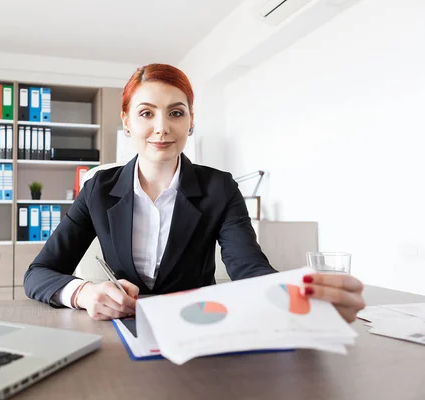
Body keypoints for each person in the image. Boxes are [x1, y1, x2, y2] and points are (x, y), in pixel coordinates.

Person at [24, 63, 366, 323]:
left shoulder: (220, 187)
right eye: (146, 113)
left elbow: (248, 268)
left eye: (176, 112)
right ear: (126, 121)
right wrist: (83, 292)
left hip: (199, 327)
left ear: (190, 121)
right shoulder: (98, 190)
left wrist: (300, 297)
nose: (162, 127)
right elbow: (39, 273)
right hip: (121, 333)